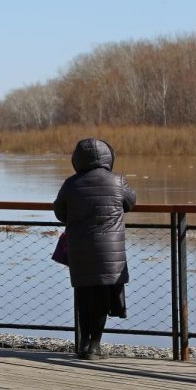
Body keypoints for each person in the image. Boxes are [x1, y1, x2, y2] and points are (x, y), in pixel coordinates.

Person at [54, 138, 136, 360]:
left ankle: (83, 343)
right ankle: (95, 346)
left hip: (80, 247)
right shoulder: (117, 181)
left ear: (77, 159)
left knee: (83, 294)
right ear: (108, 157)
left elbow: (60, 213)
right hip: (109, 250)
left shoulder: (70, 184)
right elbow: (130, 202)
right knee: (101, 297)